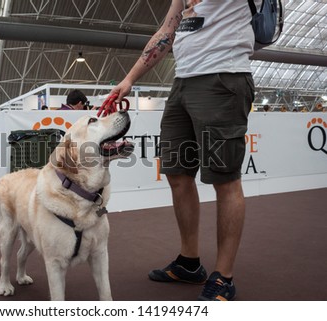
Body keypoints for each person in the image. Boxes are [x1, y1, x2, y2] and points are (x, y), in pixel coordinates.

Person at [109, 0, 256, 301]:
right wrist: (129, 79)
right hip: (183, 83)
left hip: (222, 78)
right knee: (177, 172)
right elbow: (167, 30)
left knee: (224, 179)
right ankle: (190, 262)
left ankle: (224, 276)